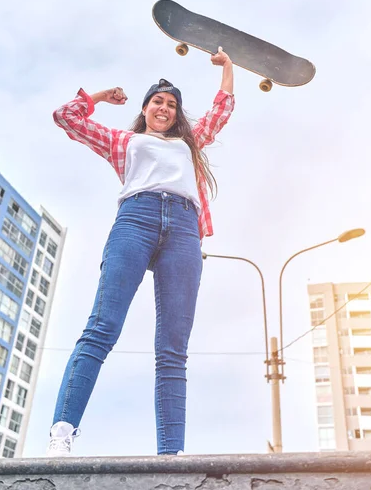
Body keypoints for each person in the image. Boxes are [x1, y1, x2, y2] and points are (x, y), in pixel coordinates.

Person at [47, 47, 235, 457]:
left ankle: (172, 455)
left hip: (185, 229)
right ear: (145, 109)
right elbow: (67, 117)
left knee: (172, 349)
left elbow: (221, 112)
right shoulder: (122, 140)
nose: (164, 108)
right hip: (136, 220)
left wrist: (228, 67)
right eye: (157, 102)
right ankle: (62, 432)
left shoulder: (191, 141)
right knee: (102, 327)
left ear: (177, 113)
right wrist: (98, 97)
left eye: (171, 104)